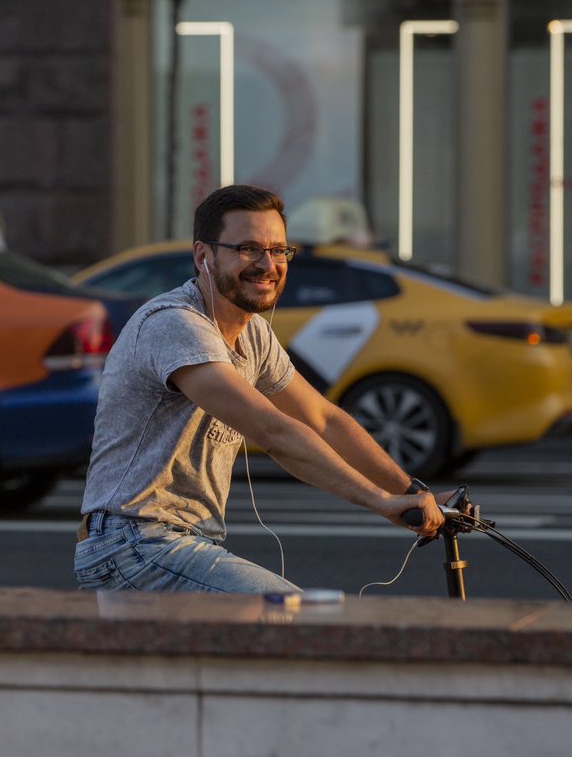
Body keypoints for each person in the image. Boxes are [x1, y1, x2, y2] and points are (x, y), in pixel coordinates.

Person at [74, 184, 446, 594]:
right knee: (294, 616)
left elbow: (323, 419)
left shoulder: (253, 336)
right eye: (248, 249)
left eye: (278, 250)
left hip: (185, 544)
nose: (267, 264)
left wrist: (412, 491)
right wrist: (379, 502)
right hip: (133, 544)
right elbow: (273, 431)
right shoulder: (175, 325)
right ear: (203, 256)